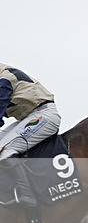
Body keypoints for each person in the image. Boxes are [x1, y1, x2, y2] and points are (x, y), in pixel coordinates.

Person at [0, 64, 61, 206]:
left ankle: (27, 194)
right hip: (31, 116)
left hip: (44, 115)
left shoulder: (4, 79)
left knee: (5, 151)